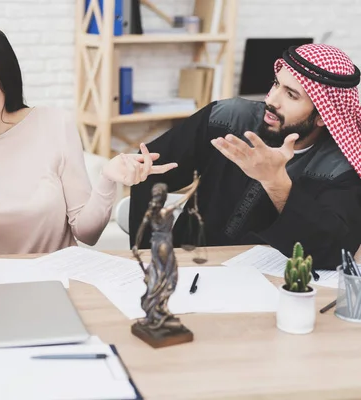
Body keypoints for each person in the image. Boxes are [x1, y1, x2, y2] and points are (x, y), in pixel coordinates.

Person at [0, 27, 177, 258]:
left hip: (61, 280)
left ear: (6, 81)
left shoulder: (54, 124)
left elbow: (86, 234)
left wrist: (106, 180)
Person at [129, 43, 361, 270]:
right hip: (188, 265)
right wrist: (150, 255)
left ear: (323, 116)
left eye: (291, 95)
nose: (271, 100)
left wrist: (276, 183)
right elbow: (148, 169)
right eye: (276, 84)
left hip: (276, 286)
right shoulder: (226, 118)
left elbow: (335, 250)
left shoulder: (340, 165)